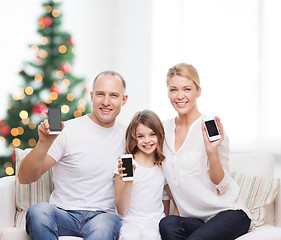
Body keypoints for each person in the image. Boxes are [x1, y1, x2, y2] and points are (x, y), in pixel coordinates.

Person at [17, 70, 128, 240]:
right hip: (63, 214)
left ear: (124, 100)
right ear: (91, 96)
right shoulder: (68, 130)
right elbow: (25, 177)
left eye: (113, 95)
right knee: (38, 212)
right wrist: (44, 143)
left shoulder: (130, 137)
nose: (106, 102)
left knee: (105, 225)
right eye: (100, 94)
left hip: (102, 217)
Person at [159, 63, 252, 240]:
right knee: (167, 223)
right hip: (196, 220)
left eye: (187, 89)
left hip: (228, 214)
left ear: (198, 91)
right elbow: (166, 180)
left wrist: (211, 152)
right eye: (173, 90)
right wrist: (178, 206)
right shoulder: (163, 130)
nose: (180, 96)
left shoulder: (210, 127)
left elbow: (221, 185)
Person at [114, 110, 175, 240]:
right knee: (130, 236)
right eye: (140, 136)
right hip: (129, 222)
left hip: (155, 222)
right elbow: (122, 210)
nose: (147, 141)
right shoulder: (124, 163)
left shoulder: (163, 166)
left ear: (160, 135)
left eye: (152, 134)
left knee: (151, 236)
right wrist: (128, 182)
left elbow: (173, 199)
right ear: (134, 138)